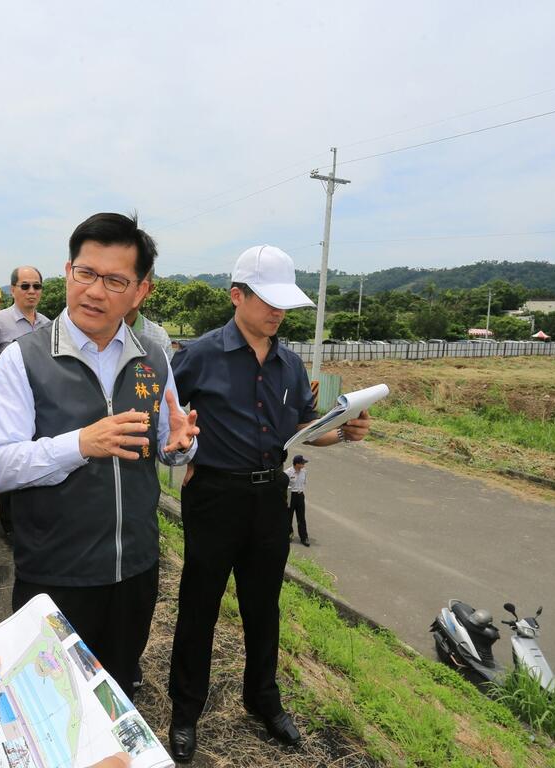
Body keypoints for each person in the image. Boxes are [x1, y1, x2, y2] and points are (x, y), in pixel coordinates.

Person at [0, 213, 199, 698]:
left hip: (134, 568)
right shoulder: (25, 357)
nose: (95, 292)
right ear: (68, 271)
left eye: (115, 280)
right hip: (57, 573)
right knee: (54, 704)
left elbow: (166, 444)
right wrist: (80, 443)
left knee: (115, 691)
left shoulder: (154, 359)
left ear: (141, 291)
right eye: (86, 274)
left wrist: (181, 445)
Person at [166, 245, 371, 762]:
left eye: (284, 304)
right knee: (200, 605)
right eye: (268, 301)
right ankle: (185, 709)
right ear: (237, 296)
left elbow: (302, 429)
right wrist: (180, 446)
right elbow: (162, 415)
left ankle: (262, 699)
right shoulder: (199, 354)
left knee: (264, 606)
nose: (278, 313)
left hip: (268, 495)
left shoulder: (289, 362)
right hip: (214, 493)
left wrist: (342, 432)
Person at [0, 265, 52, 537]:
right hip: (9, 405)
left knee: (36, 458)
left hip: (41, 404)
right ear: (13, 290)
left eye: (36, 286)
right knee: (10, 460)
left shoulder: (47, 324)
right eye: (25, 286)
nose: (32, 291)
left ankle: (35, 518)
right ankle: (10, 526)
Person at [285, 455, 310, 546]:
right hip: (290, 495)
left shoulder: (304, 472)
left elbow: (304, 483)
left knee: (301, 518)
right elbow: (284, 486)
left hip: (300, 495)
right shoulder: (288, 473)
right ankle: (288, 534)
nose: (304, 464)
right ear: (297, 464)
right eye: (302, 463)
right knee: (288, 517)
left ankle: (304, 537)